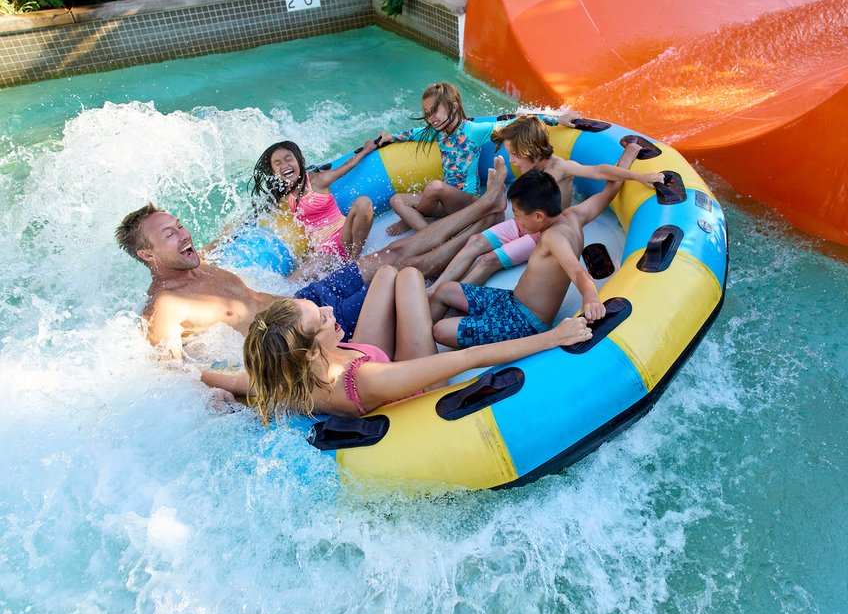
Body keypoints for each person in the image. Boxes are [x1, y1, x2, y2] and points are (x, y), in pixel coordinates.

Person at [114, 165, 509, 360]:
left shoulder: (199, 264)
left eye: (180, 226)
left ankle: (483, 208)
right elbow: (171, 379)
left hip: (303, 299)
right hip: (304, 333)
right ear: (147, 255)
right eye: (170, 234)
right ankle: (476, 245)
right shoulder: (164, 305)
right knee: (403, 277)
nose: (184, 235)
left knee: (391, 255)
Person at [238, 266, 593, 424]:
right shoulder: (371, 378)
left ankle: (430, 304)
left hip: (351, 366)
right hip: (410, 389)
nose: (331, 311)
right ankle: (432, 304)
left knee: (389, 274)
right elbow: (472, 357)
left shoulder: (287, 377)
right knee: (409, 277)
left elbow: (236, 381)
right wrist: (552, 337)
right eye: (322, 319)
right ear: (310, 350)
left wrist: (207, 381)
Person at [427, 119, 650, 297]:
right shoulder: (530, 161)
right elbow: (528, 121)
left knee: (488, 260)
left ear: (531, 149)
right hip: (523, 222)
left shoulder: (560, 167)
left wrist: (640, 176)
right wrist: (555, 119)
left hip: (543, 232)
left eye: (514, 154)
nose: (512, 160)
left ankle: (451, 297)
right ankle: (435, 288)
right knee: (474, 243)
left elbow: (600, 172)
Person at [431, 165, 624, 348]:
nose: (515, 220)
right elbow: (608, 193)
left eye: (517, 214)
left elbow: (577, 271)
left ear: (539, 216)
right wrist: (628, 157)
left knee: (441, 331)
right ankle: (420, 334)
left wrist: (590, 296)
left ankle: (418, 353)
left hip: (524, 322)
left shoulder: (553, 237)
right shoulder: (574, 215)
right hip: (510, 301)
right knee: (444, 290)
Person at [377, 82, 579, 235]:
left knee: (434, 187)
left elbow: (518, 123)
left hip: (467, 200)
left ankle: (426, 232)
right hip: (443, 202)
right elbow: (412, 133)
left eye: (434, 111)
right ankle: (425, 230)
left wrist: (556, 119)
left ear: (454, 107)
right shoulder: (436, 133)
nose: (431, 118)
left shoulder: (473, 131)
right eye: (427, 113)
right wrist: (389, 137)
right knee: (396, 200)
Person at [250, 140, 377, 277]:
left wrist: (367, 149)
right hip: (323, 249)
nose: (284, 165)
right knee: (293, 280)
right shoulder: (284, 195)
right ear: (274, 171)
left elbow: (348, 165)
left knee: (364, 203)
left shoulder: (318, 180)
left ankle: (353, 259)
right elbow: (260, 211)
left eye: (288, 159)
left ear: (301, 160)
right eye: (278, 163)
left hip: (343, 235)